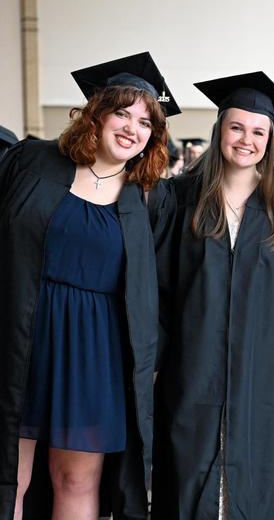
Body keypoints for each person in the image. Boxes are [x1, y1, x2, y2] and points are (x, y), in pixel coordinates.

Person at [0, 52, 173, 519]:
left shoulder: (153, 199)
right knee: (9, 472)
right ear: (95, 114)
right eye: (122, 112)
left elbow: (161, 288)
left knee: (76, 478)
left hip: (98, 349)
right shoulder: (33, 162)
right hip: (26, 332)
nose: (131, 128)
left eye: (145, 123)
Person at [148, 72, 274, 519]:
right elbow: (157, 288)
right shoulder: (178, 198)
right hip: (192, 369)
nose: (246, 140)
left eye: (258, 131)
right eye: (236, 127)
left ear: (270, 140)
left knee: (257, 479)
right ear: (219, 131)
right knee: (189, 471)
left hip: (264, 372)